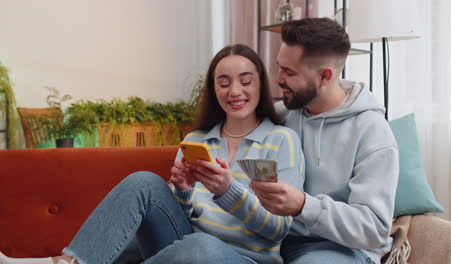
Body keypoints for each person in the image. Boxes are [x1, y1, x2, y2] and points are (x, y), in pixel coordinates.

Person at [0, 44, 304, 264]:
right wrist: (183, 192)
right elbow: (183, 221)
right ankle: (71, 262)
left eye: (245, 81)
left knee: (202, 246)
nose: (235, 91)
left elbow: (277, 230)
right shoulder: (197, 140)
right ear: (214, 90)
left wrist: (228, 190)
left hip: (241, 259)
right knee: (143, 181)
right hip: (182, 251)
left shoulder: (279, 140)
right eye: (223, 83)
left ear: (260, 84)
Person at [249, 18, 399, 264]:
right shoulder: (282, 115)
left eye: (289, 72)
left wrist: (302, 205)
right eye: (279, 67)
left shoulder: (372, 132)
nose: (278, 78)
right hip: (275, 240)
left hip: (341, 248)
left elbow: (374, 229)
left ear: (325, 76)